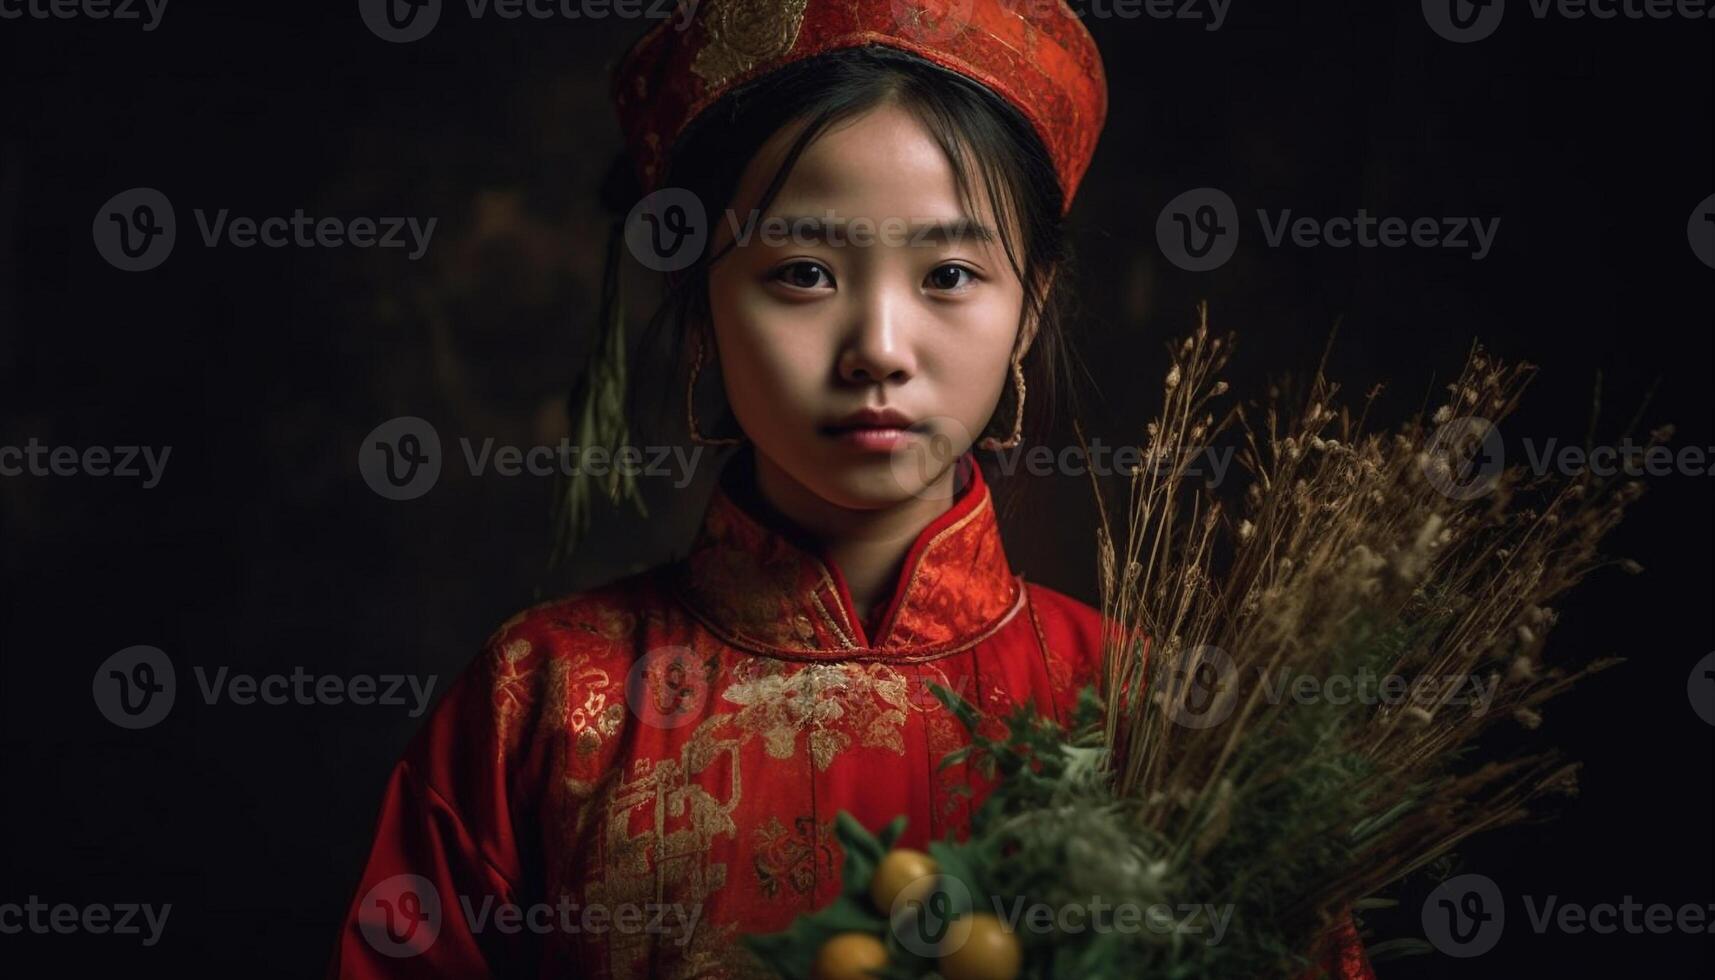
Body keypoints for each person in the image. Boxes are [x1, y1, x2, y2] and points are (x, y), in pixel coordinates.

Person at [330, 2, 1374, 977]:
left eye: (948, 275)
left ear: (1031, 302)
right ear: (699, 306)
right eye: (802, 273)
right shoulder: (541, 702)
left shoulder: (1155, 718)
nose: (877, 348)